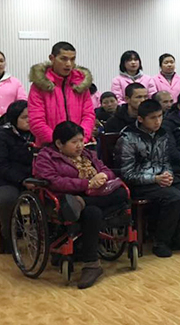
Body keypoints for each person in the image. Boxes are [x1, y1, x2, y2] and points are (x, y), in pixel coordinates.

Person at [32, 121, 129, 289]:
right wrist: (86, 184)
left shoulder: (88, 154)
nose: (79, 145)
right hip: (65, 198)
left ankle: (83, 203)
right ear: (59, 143)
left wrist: (103, 177)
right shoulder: (46, 157)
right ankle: (92, 265)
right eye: (74, 142)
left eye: (81, 140)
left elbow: (106, 170)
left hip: (93, 195)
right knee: (93, 213)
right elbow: (54, 182)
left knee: (121, 192)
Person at [115, 99, 180, 257]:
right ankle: (161, 242)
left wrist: (167, 175)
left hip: (160, 177)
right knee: (174, 196)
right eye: (153, 118)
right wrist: (154, 179)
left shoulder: (162, 134)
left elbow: (165, 161)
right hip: (139, 183)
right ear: (141, 119)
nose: (158, 121)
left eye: (160, 116)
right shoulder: (128, 138)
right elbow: (127, 173)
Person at [28, 41, 95, 146]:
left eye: (72, 59)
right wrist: (60, 144)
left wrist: (80, 140)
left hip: (79, 147)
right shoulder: (39, 85)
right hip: (50, 147)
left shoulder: (80, 84)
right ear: (52, 58)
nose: (68, 64)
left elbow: (89, 115)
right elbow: (36, 121)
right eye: (63, 59)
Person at [0, 101, 34, 253]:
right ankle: (8, 236)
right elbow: (3, 166)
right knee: (7, 199)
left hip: (34, 178)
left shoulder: (37, 134)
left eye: (31, 116)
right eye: (25, 117)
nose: (29, 120)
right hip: (7, 179)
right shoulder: (3, 135)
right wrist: (22, 180)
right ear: (14, 118)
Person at [0, 51, 27, 119]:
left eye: (1, 61)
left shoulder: (15, 82)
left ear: (5, 63)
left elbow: (22, 103)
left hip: (9, 121)